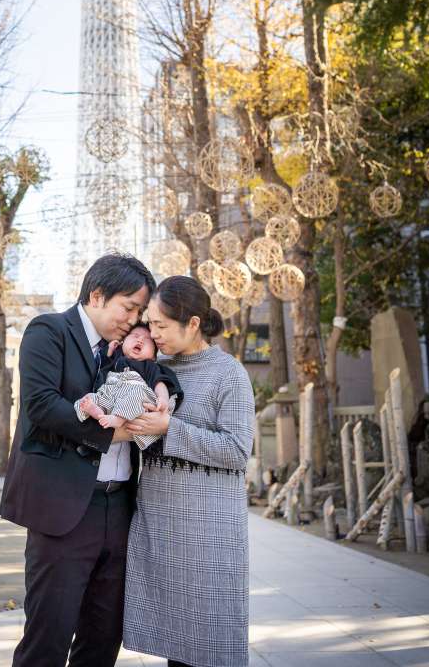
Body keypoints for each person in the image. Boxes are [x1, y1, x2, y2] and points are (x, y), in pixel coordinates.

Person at [0, 253, 155, 667]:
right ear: (97, 295)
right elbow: (42, 405)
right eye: (129, 307)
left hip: (119, 507)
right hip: (64, 510)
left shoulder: (131, 351)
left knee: (103, 638)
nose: (134, 318)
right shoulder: (49, 331)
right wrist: (112, 433)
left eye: (140, 310)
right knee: (48, 638)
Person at [122, 275, 255, 667]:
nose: (153, 332)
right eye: (150, 323)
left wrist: (170, 429)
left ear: (193, 323)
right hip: (161, 526)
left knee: (210, 646)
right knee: (174, 646)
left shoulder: (228, 374)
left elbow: (236, 450)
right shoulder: (154, 367)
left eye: (161, 324)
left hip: (209, 532)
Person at [74, 324, 183, 449]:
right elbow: (100, 370)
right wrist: (108, 352)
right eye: (135, 336)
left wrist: (163, 398)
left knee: (136, 393)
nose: (140, 340)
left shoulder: (149, 366)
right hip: (113, 395)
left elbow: (159, 383)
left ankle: (117, 419)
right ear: (122, 343)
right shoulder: (117, 360)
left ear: (153, 356)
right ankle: (95, 412)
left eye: (147, 340)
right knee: (90, 397)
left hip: (135, 397)